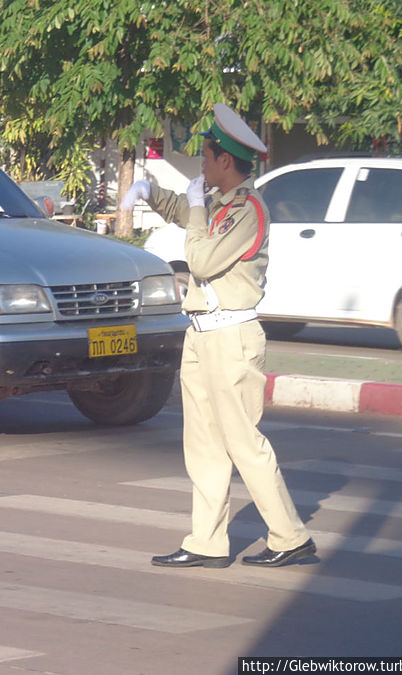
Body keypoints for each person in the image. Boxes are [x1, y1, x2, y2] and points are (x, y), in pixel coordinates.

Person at [120, 104, 316, 568]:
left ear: (226, 160)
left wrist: (191, 206)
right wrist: (151, 191)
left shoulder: (248, 211)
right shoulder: (217, 203)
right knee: (203, 444)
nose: (202, 167)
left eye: (206, 158)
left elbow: (202, 260)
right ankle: (206, 542)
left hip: (232, 338)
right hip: (202, 335)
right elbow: (184, 213)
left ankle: (290, 537)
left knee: (243, 443)